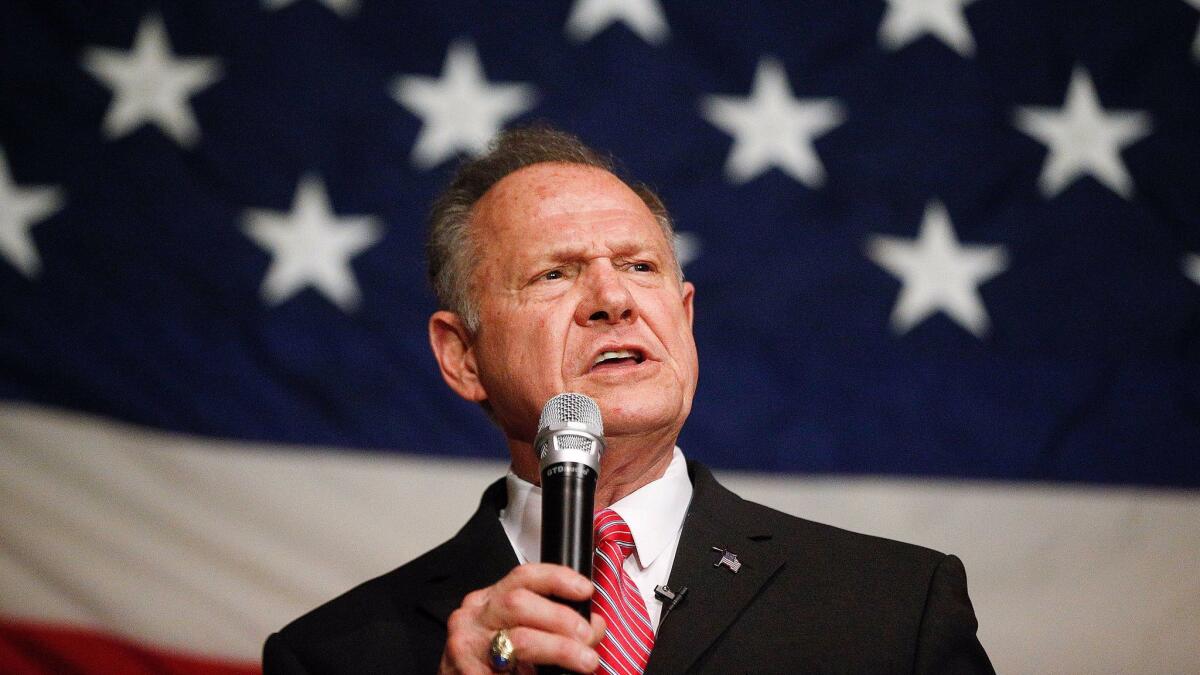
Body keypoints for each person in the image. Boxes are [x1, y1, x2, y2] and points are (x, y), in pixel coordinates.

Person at [263, 126, 994, 674]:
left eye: (639, 266)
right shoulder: (332, 655)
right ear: (462, 356)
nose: (612, 298)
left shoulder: (893, 608)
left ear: (685, 314)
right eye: (554, 274)